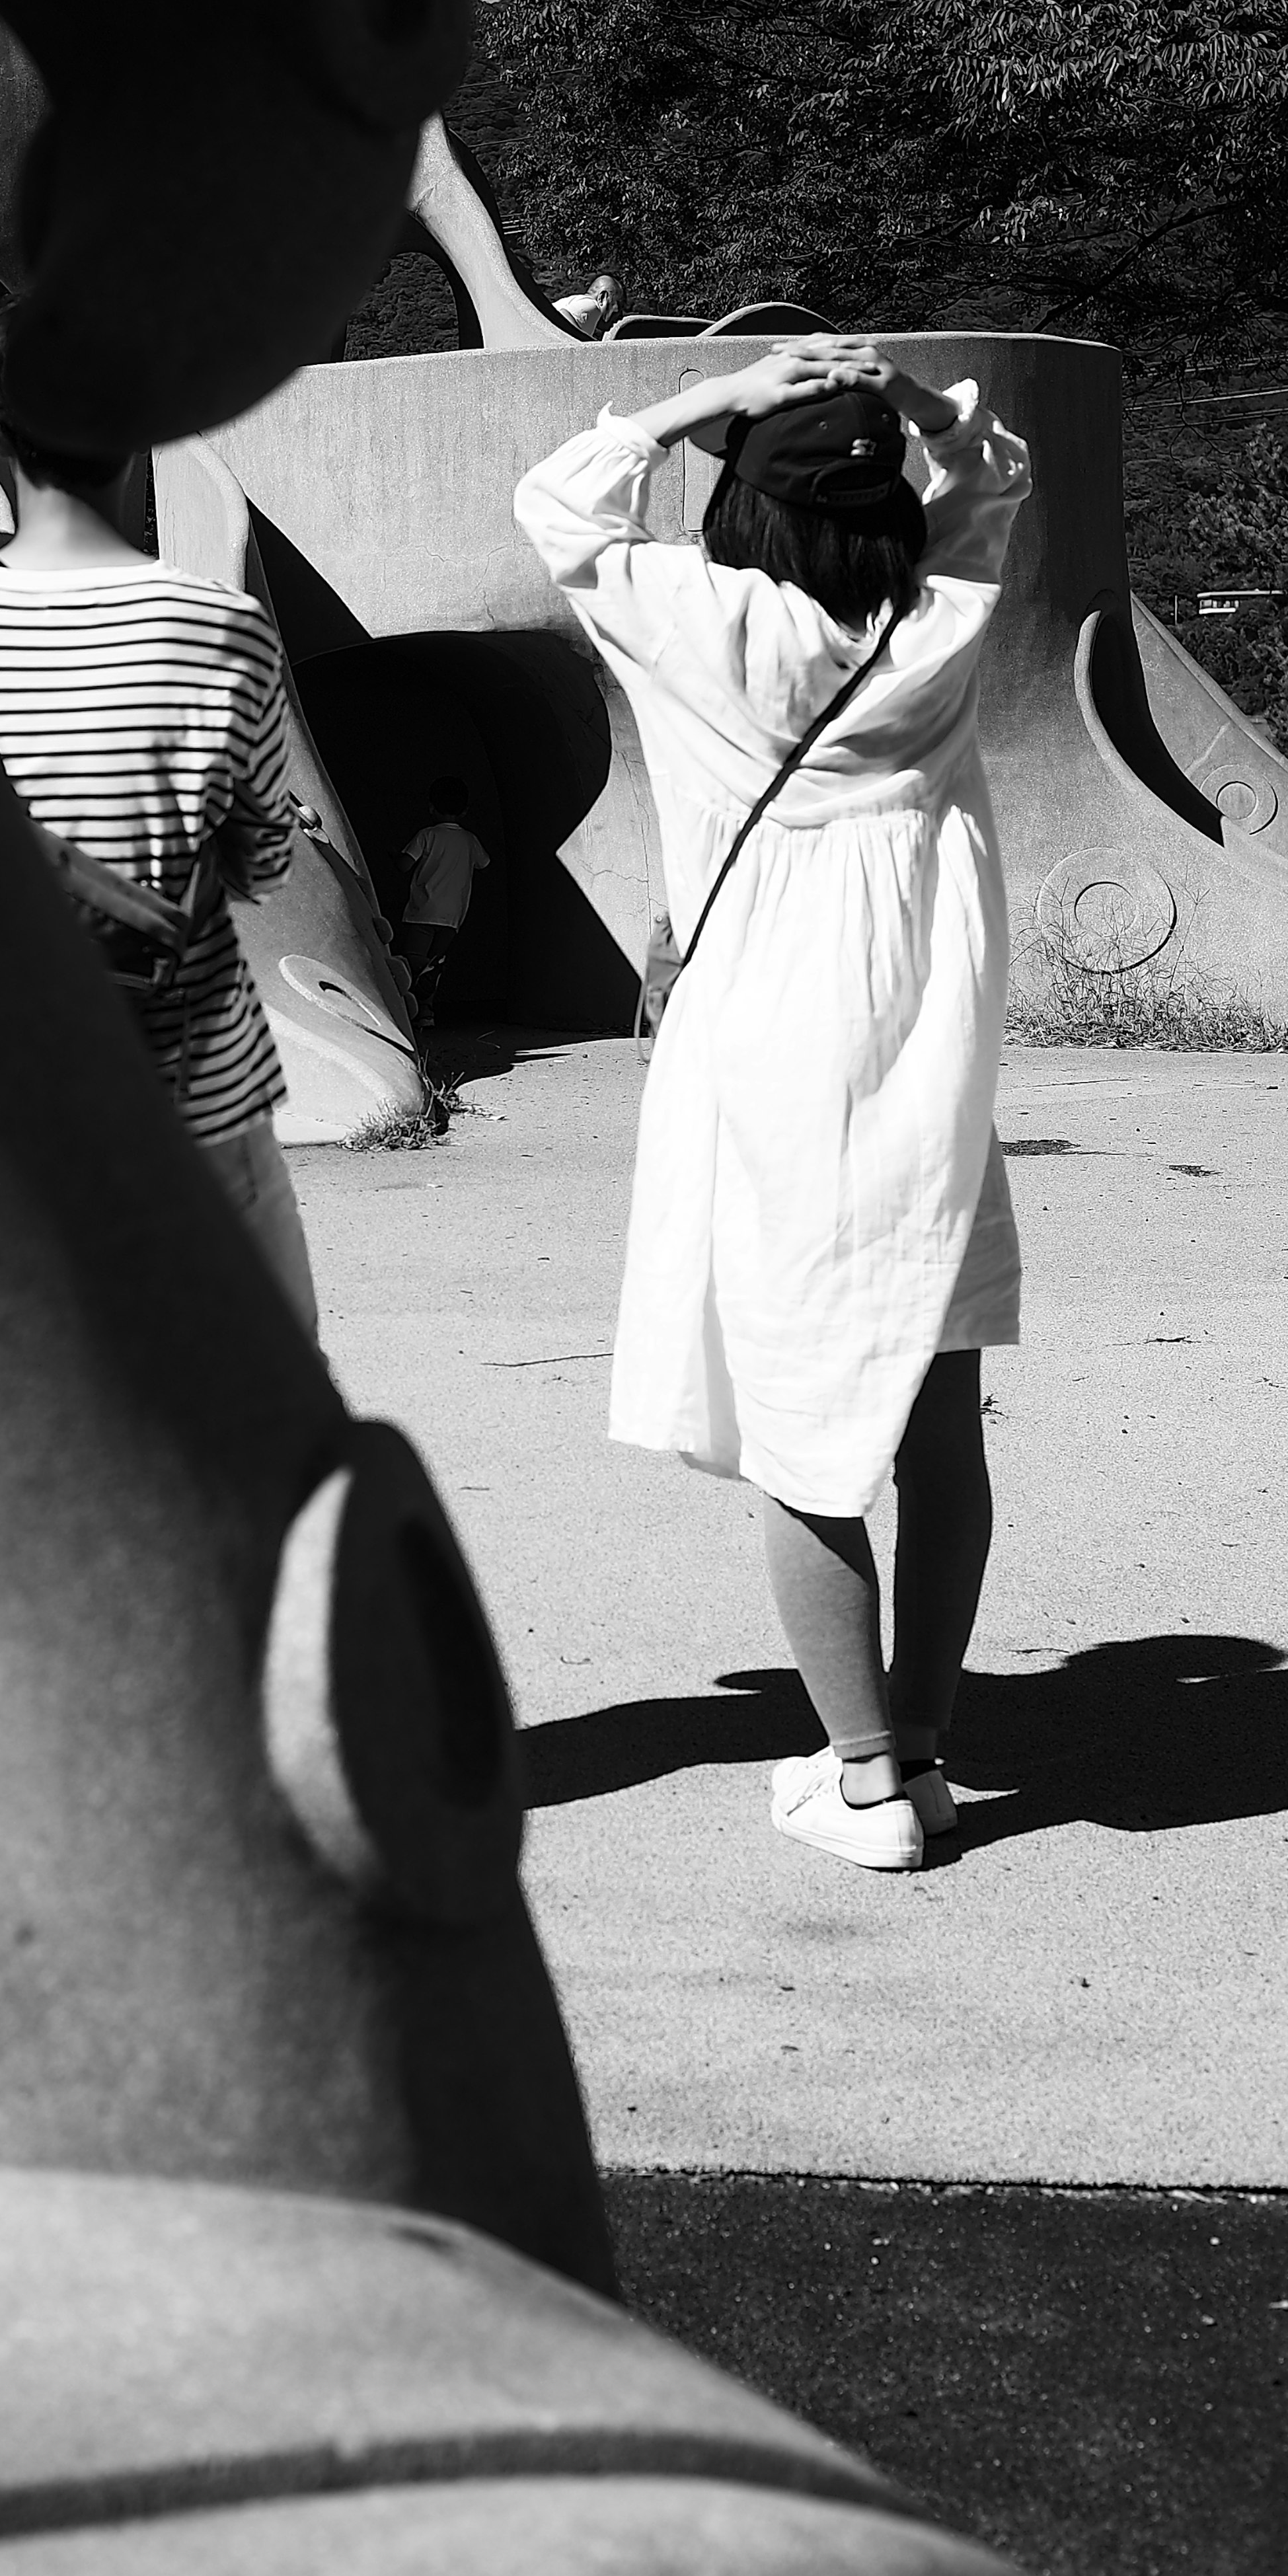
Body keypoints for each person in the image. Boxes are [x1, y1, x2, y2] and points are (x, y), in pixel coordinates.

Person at [513, 338, 1030, 1873]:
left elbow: (558, 504)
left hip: (772, 1073)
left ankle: (863, 1784)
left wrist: (698, 400)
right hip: (926, 1070)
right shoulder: (937, 618)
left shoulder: (697, 619)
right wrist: (911, 408)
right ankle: (919, 1752)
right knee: (937, 1423)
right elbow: (994, 475)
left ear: (746, 505)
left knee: (800, 1431)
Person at [0, 320, 317, 1331]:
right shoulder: (219, 623)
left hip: (9, 1062)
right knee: (262, 1364)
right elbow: (266, 860)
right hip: (192, 1059)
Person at [395, 775, 492, 1032]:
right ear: (466, 810)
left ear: (431, 807)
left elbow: (404, 864)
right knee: (433, 966)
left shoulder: (426, 835)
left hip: (422, 911)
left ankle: (409, 1011)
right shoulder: (470, 840)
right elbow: (484, 863)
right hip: (453, 916)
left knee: (413, 961)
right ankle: (427, 1012)